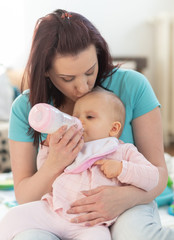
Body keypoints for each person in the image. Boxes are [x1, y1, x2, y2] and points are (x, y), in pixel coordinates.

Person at [7, 8, 173, 240]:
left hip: (127, 199)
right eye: (68, 79)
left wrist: (124, 198)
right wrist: (54, 163)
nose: (83, 87)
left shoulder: (133, 86)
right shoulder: (27, 108)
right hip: (56, 208)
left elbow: (158, 173)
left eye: (90, 71)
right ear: (45, 71)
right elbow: (25, 196)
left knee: (133, 235)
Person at [0, 88, 160, 240]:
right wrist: (48, 149)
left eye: (89, 117)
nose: (80, 122)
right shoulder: (72, 146)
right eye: (76, 116)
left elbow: (152, 178)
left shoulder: (123, 151)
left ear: (114, 128)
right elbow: (45, 171)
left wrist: (121, 169)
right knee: (11, 218)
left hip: (90, 223)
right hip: (55, 210)